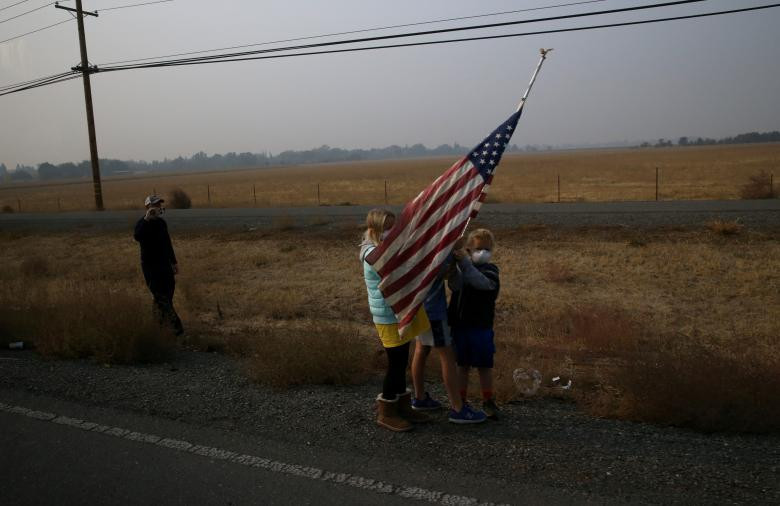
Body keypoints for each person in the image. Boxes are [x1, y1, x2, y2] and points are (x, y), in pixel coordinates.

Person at [360, 208, 431, 432]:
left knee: (401, 360)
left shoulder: (387, 249)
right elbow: (398, 270)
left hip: (400, 310)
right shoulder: (372, 253)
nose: (392, 231)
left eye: (394, 226)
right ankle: (386, 412)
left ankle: (402, 404)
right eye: (387, 227)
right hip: (388, 316)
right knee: (396, 363)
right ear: (375, 229)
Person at [412, 256, 487, 424]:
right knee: (447, 356)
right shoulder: (439, 250)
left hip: (418, 307)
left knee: (421, 349)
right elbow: (456, 285)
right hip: (433, 312)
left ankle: (419, 397)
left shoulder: (418, 243)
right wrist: (455, 260)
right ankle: (458, 408)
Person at [448, 228, 501, 420]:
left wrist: (464, 263)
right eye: (478, 248)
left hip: (481, 326)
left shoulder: (491, 270)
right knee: (462, 365)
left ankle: (488, 400)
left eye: (487, 249)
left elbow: (481, 283)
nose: (483, 252)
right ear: (468, 249)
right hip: (461, 325)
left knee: (484, 365)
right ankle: (461, 400)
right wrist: (454, 266)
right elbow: (455, 286)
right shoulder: (463, 268)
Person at [134, 195, 183, 336]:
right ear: (148, 207)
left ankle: (157, 328)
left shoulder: (162, 223)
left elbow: (167, 243)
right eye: (154, 205)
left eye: (159, 205)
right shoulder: (142, 224)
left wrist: (174, 262)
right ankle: (177, 328)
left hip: (165, 265)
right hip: (150, 267)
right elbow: (137, 236)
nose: (158, 207)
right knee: (160, 296)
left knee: (165, 296)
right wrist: (146, 219)